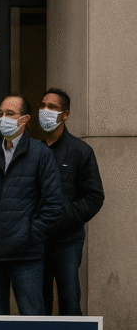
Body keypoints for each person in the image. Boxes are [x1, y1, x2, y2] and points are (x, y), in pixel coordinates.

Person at [0, 95, 63, 315]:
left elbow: (53, 203)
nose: (3, 118)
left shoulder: (41, 155)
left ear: (25, 119)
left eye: (10, 114)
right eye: (0, 114)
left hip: (26, 255)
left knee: (32, 319)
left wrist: (32, 234)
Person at [37, 88, 104, 315]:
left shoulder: (80, 151)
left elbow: (94, 196)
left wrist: (65, 217)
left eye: (52, 107)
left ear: (65, 114)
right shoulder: (31, 150)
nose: (45, 111)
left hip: (67, 242)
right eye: (43, 106)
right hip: (36, 241)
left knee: (69, 301)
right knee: (38, 304)